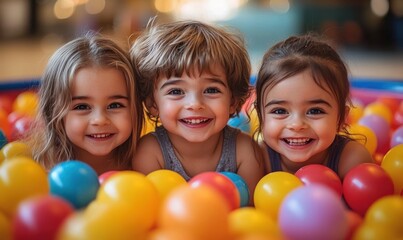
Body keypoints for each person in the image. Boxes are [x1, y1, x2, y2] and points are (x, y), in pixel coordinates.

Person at [130, 20, 265, 204]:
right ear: (153, 103)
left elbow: (251, 212)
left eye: (211, 90)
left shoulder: (245, 151)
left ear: (233, 101)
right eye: (176, 91)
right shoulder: (150, 153)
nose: (195, 104)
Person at [254, 34, 373, 180]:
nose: (297, 125)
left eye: (315, 111)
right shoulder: (257, 159)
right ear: (260, 115)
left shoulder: (351, 159)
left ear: (341, 118)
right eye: (280, 111)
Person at [25, 33, 143, 175]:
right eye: (82, 107)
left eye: (115, 105)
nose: (99, 120)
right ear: (53, 112)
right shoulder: (39, 170)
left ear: (136, 107)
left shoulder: (147, 162)